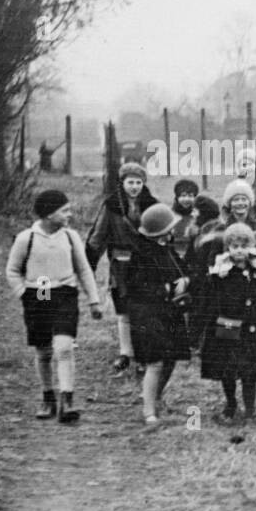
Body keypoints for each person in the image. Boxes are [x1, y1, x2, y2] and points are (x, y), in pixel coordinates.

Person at [5, 189, 104, 422]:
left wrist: (94, 300)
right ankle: (47, 397)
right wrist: (24, 294)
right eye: (64, 211)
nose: (69, 215)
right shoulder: (26, 238)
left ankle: (66, 400)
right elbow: (12, 270)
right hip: (39, 292)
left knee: (64, 347)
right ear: (49, 214)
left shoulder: (70, 237)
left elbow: (83, 269)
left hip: (65, 293)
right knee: (44, 350)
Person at [193, 222, 256, 424]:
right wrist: (198, 331)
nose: (239, 251)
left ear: (251, 246)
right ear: (228, 248)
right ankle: (231, 403)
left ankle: (250, 407)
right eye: (234, 246)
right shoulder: (220, 273)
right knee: (228, 370)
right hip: (227, 328)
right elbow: (207, 303)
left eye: (243, 246)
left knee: (250, 372)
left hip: (251, 331)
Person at [126, 204, 193, 429]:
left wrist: (185, 280)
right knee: (155, 362)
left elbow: (181, 269)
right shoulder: (141, 254)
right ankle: (148, 413)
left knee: (171, 358)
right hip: (148, 315)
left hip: (169, 313)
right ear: (160, 231)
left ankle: (156, 396)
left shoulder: (167, 248)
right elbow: (137, 287)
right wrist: (168, 288)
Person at [87, 161, 157, 378]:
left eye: (138, 182)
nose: (134, 187)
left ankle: (143, 356)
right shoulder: (111, 205)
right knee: (124, 308)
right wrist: (89, 263)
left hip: (145, 263)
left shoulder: (151, 204)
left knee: (143, 309)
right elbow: (98, 236)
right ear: (122, 182)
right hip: (121, 263)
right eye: (130, 182)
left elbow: (162, 232)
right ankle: (126, 353)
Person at [170, 180, 201, 259]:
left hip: (193, 254)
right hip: (173, 254)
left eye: (190, 196)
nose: (187, 199)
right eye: (183, 196)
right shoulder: (169, 215)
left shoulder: (198, 215)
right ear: (177, 197)